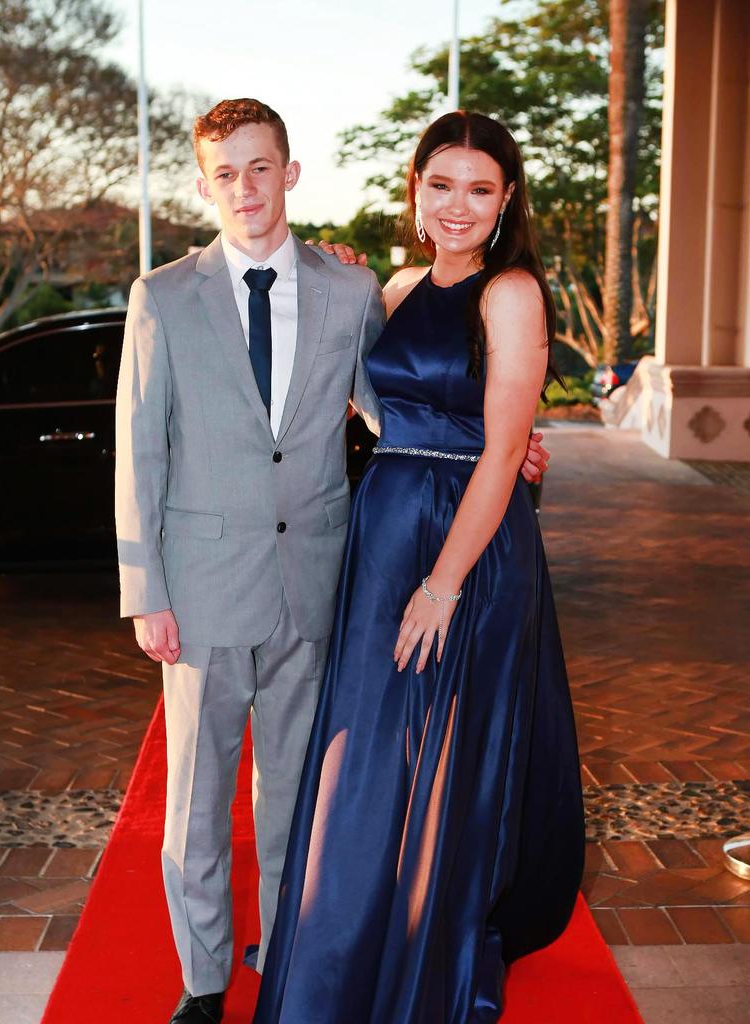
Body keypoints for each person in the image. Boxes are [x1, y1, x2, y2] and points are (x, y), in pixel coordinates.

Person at [115, 98, 550, 1024]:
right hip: (201, 586)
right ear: (204, 184)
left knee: (300, 791)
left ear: (291, 173)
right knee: (195, 800)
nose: (246, 186)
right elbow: (138, 454)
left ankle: (289, 949)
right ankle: (202, 982)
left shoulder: (353, 290)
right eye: (226, 171)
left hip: (324, 579)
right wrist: (144, 591)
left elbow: (382, 400)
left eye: (261, 167)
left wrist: (499, 447)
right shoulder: (163, 296)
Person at [253, 111, 585, 1024]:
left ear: (507, 198)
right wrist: (336, 274)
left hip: (465, 548)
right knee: (365, 752)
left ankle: (414, 960)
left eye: (480, 189)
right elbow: (375, 408)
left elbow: (500, 447)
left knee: (437, 756)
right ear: (415, 189)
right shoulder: (396, 285)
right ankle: (348, 938)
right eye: (442, 184)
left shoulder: (510, 292)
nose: (458, 206)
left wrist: (443, 584)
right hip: (387, 526)